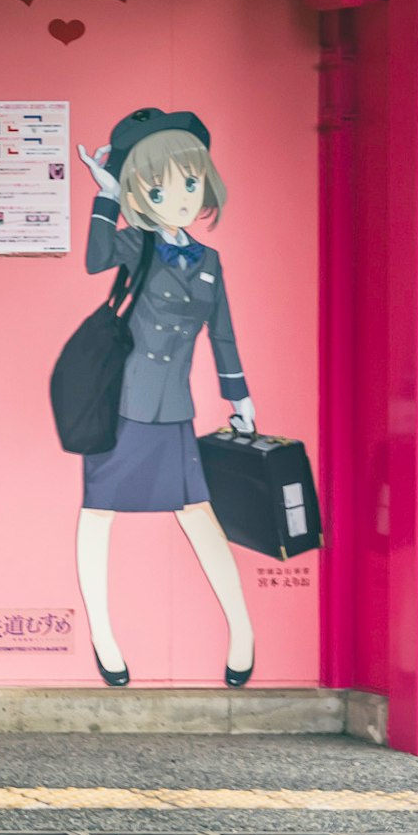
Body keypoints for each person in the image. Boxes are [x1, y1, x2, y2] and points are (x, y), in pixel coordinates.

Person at [74, 106, 258, 690]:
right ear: (137, 194)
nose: (176, 196)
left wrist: (240, 398)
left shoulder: (211, 264)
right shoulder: (136, 246)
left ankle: (242, 634)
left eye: (187, 181)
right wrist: (105, 196)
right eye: (156, 186)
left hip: (173, 409)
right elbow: (95, 259)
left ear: (204, 179)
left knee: (198, 513)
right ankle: (103, 636)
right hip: (121, 403)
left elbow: (222, 334)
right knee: (99, 511)